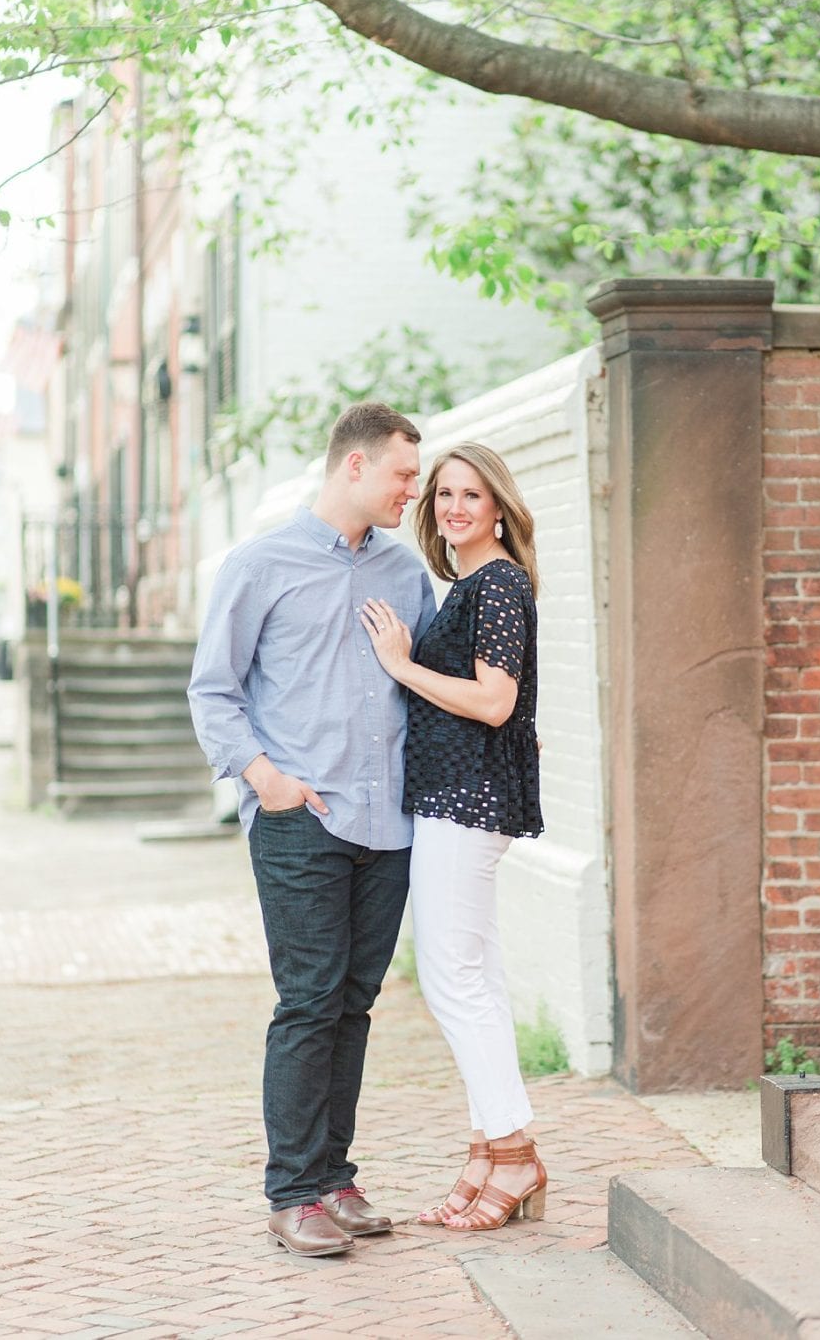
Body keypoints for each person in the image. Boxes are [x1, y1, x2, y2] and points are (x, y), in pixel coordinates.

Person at [189, 401, 436, 1258]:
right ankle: (293, 1191)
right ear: (356, 467)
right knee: (308, 1002)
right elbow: (212, 688)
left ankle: (334, 1175)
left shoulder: (407, 576)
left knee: (355, 1003)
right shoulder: (260, 564)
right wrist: (266, 780)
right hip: (304, 820)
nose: (416, 488)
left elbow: (427, 688)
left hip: (389, 821)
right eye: (405, 473)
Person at [357, 440, 547, 1232]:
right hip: (454, 799)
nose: (454, 508)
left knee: (451, 981)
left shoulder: (497, 584)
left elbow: (496, 702)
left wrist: (401, 665)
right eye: (444, 495)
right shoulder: (471, 583)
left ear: (499, 507)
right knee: (477, 979)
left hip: (465, 803)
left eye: (472, 495)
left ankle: (515, 1152)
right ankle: (485, 1150)